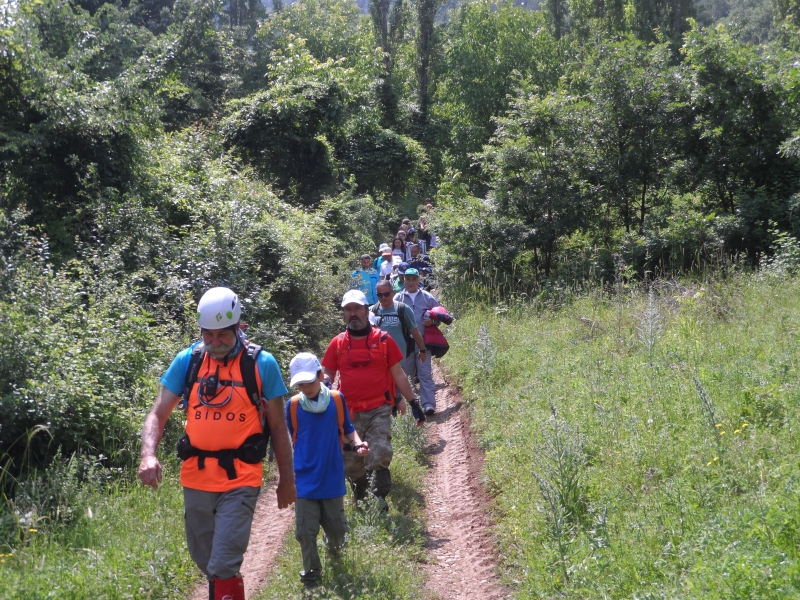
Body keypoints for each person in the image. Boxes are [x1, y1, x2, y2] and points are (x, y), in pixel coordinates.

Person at [139, 287, 295, 600]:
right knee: (207, 561)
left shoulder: (261, 364)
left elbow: (279, 427)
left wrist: (287, 480)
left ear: (239, 328)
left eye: (222, 335)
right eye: (207, 335)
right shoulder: (189, 361)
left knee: (223, 563)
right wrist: (148, 455)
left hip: (241, 478)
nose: (214, 342)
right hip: (196, 478)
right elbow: (157, 413)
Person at [321, 290, 420, 504]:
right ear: (344, 314)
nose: (353, 313)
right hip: (348, 412)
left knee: (380, 453)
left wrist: (413, 402)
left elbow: (398, 374)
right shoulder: (337, 343)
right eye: (348, 310)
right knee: (351, 464)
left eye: (357, 308)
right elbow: (327, 371)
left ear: (367, 311)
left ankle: (379, 501)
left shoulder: (384, 340)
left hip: (379, 408)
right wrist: (325, 382)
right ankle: (362, 498)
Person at [286, 353, 369, 589]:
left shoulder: (336, 399)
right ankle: (311, 574)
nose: (306, 388)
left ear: (321, 376)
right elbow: (293, 438)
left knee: (337, 531)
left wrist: (358, 444)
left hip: (331, 477)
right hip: (304, 479)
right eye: (300, 384)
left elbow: (348, 428)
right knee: (305, 531)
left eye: (309, 382)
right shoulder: (292, 406)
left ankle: (333, 552)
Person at [394, 269, 440, 416]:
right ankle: (410, 407)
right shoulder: (397, 298)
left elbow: (441, 315)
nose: (411, 282)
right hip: (404, 345)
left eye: (414, 279)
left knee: (425, 374)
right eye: (408, 279)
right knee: (406, 375)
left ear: (418, 280)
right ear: (404, 280)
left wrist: (433, 321)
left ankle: (428, 405)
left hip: (423, 344)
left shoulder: (427, 297)